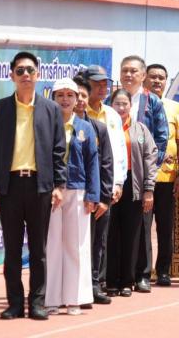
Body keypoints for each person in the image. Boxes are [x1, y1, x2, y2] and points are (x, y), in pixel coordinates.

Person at [0, 51, 66, 320]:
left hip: (40, 186)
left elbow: (58, 150)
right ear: (11, 75)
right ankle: (14, 304)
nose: (25, 75)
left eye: (30, 70)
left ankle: (37, 303)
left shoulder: (50, 109)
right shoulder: (0, 109)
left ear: (38, 75)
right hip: (9, 187)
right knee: (11, 250)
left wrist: (59, 185)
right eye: (20, 71)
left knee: (38, 250)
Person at [45, 78, 100, 316]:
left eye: (70, 95)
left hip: (78, 191)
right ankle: (51, 299)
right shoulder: (46, 125)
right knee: (52, 245)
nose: (65, 100)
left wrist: (93, 194)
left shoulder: (85, 128)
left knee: (76, 245)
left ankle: (75, 299)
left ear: (77, 99)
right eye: (60, 95)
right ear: (53, 98)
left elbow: (93, 163)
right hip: (51, 192)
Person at [120, 55, 169, 293]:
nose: (128, 75)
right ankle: (119, 275)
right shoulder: (113, 100)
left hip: (142, 175)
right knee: (118, 227)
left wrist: (150, 171)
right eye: (125, 71)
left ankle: (142, 274)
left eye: (133, 71)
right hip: (118, 173)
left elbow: (161, 138)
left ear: (142, 76)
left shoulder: (152, 102)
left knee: (142, 225)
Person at [107, 89, 158, 297]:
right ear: (110, 106)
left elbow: (150, 159)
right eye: (117, 104)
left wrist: (148, 189)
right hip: (110, 185)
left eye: (124, 104)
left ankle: (127, 281)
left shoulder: (140, 129)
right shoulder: (105, 127)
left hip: (134, 186)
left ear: (131, 106)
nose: (121, 108)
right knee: (110, 234)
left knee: (131, 235)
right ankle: (111, 281)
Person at [83, 65, 128, 288]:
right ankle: (77, 285)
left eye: (104, 84)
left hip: (105, 184)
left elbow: (119, 150)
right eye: (96, 84)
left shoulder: (111, 114)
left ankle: (97, 283)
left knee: (101, 238)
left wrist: (118, 182)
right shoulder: (78, 111)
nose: (102, 88)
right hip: (81, 185)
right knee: (81, 239)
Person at [144, 63, 179, 286]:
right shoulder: (137, 105)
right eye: (153, 77)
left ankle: (163, 270)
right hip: (142, 177)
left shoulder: (175, 107)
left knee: (165, 227)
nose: (157, 81)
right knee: (142, 227)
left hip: (167, 177)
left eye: (161, 78)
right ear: (144, 79)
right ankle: (142, 272)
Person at [73, 75, 114, 306]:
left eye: (83, 95)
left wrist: (104, 198)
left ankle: (93, 285)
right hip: (70, 195)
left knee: (96, 243)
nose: (79, 99)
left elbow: (106, 164)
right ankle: (69, 288)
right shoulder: (58, 125)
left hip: (95, 197)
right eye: (75, 95)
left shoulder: (98, 128)